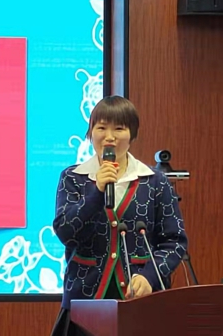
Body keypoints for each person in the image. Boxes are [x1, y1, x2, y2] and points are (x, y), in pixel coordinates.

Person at [50, 96, 188, 336]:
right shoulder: (73, 178)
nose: (109, 136)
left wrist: (150, 277)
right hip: (85, 301)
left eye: (119, 129)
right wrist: (96, 192)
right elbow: (65, 232)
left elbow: (174, 242)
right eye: (101, 127)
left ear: (132, 134)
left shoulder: (155, 182)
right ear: (90, 133)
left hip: (141, 301)